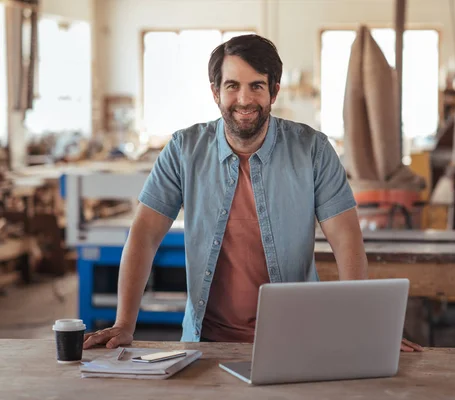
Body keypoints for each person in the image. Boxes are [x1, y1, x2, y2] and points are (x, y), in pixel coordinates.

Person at [83, 34, 422, 352]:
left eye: (256, 86)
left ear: (273, 92)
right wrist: (124, 322)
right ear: (215, 92)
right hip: (205, 343)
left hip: (295, 341)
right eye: (232, 86)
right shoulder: (183, 150)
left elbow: (347, 241)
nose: (244, 99)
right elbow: (143, 235)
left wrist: (362, 325)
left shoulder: (313, 150)